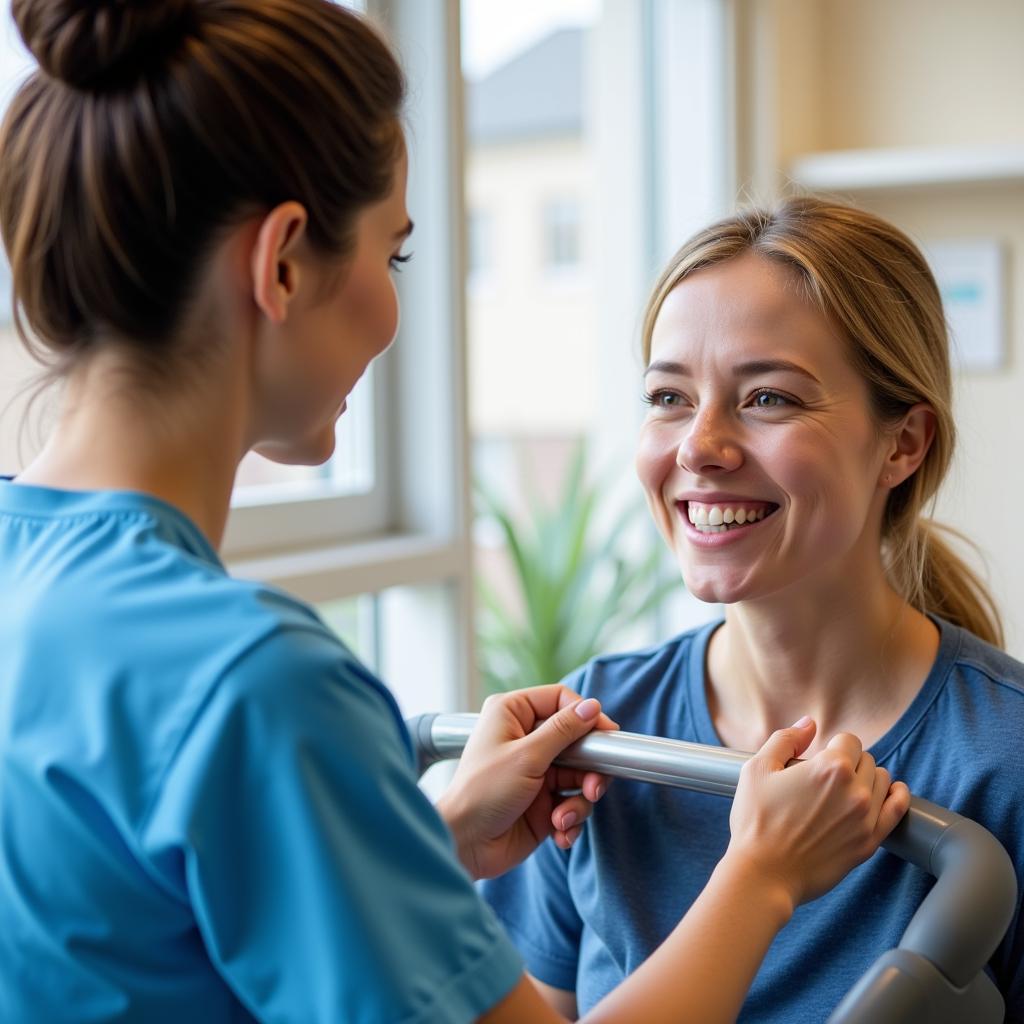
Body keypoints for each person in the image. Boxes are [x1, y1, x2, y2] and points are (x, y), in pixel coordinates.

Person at [0, 4, 907, 1022]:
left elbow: (153, 930)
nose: (394, 311)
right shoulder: (253, 684)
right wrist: (762, 877)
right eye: (395, 255)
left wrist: (417, 839)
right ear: (285, 262)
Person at [480, 197, 1024, 1022]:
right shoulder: (593, 735)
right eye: (668, 397)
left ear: (903, 444)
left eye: (767, 398)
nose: (699, 445)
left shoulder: (1004, 761)